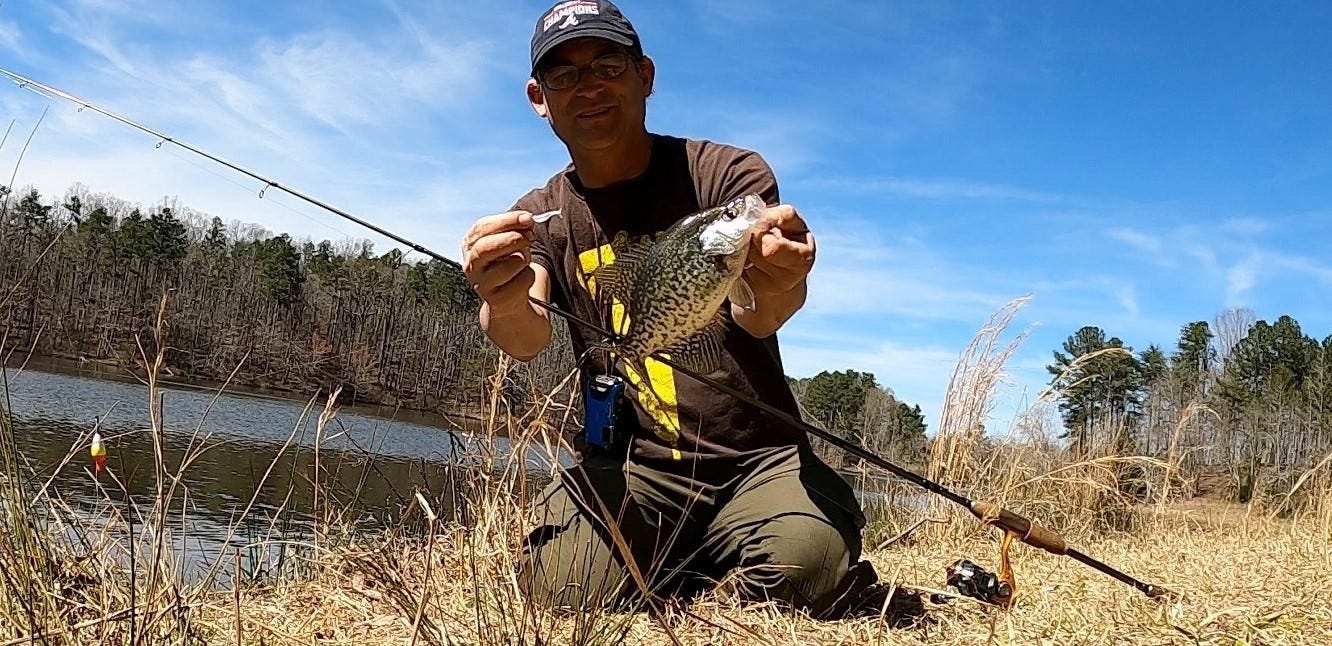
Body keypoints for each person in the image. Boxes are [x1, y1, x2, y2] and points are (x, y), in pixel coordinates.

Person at [460, 0, 885, 618]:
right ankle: (683, 558)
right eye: (565, 74)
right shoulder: (544, 212)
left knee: (805, 565)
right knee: (559, 590)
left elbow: (761, 313)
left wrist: (784, 275)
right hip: (633, 466)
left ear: (646, 76)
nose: (589, 86)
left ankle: (719, 553)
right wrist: (499, 295)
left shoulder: (725, 175)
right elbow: (523, 336)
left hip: (754, 460)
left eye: (608, 63)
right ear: (539, 97)